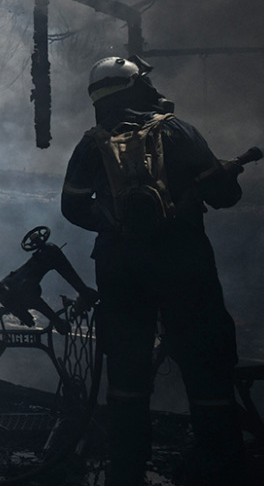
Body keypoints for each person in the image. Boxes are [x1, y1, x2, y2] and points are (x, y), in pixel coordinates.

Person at [61, 56, 246, 486]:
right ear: (135, 86)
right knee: (205, 362)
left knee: (127, 367)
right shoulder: (176, 130)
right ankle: (218, 461)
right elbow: (226, 196)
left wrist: (116, 222)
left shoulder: (91, 144)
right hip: (184, 264)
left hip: (120, 268)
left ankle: (126, 465)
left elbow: (72, 207)